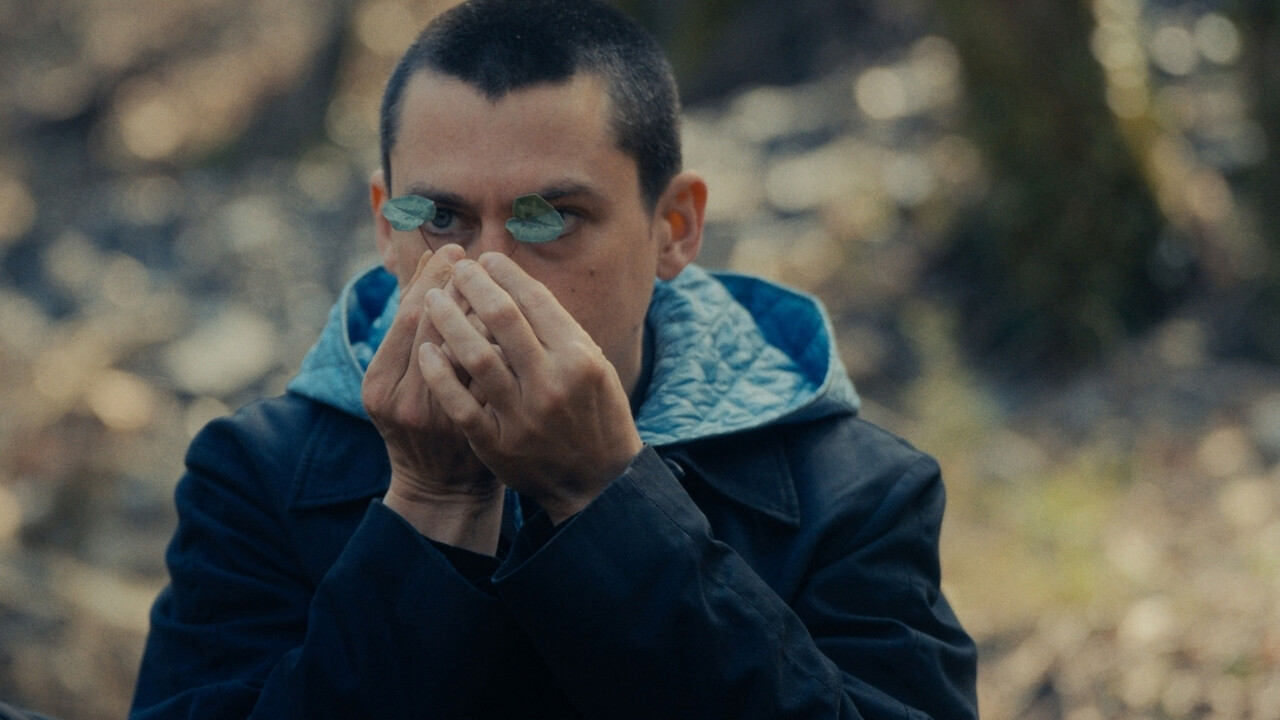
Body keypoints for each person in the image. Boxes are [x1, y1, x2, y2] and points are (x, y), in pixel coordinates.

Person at [129, 0, 978, 717]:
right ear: (386, 224)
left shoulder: (858, 495)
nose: (489, 272)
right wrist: (429, 510)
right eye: (442, 218)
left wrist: (607, 501)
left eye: (551, 219)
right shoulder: (254, 478)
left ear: (674, 227)